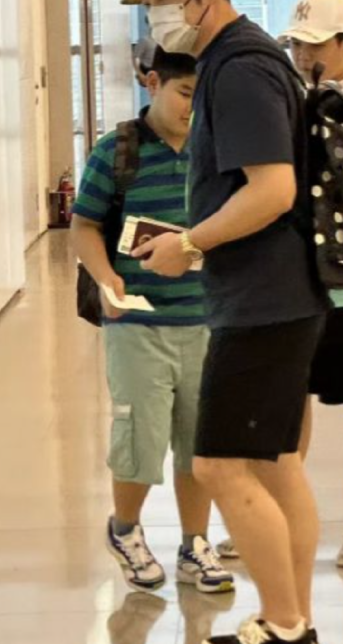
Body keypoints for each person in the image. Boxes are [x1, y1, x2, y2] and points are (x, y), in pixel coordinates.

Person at [123, 0, 328, 644]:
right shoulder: (237, 61)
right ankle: (293, 619)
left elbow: (273, 190)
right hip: (276, 294)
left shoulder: (239, 68)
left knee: (218, 464)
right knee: (276, 465)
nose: (159, 14)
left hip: (264, 302)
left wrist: (190, 242)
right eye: (150, 2)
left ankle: (285, 623)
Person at [218, 0, 343, 570]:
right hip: (294, 271)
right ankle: (276, 510)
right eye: (296, 45)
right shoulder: (289, 89)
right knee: (288, 391)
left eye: (315, 46)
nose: (302, 56)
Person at [71, 47, 234, 596]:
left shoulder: (217, 150)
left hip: (206, 320)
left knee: (199, 442)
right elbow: (84, 227)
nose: (193, 107)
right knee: (140, 437)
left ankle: (195, 543)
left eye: (203, 97)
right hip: (137, 322)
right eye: (185, 93)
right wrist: (105, 280)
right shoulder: (117, 152)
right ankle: (125, 529)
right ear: (153, 83)